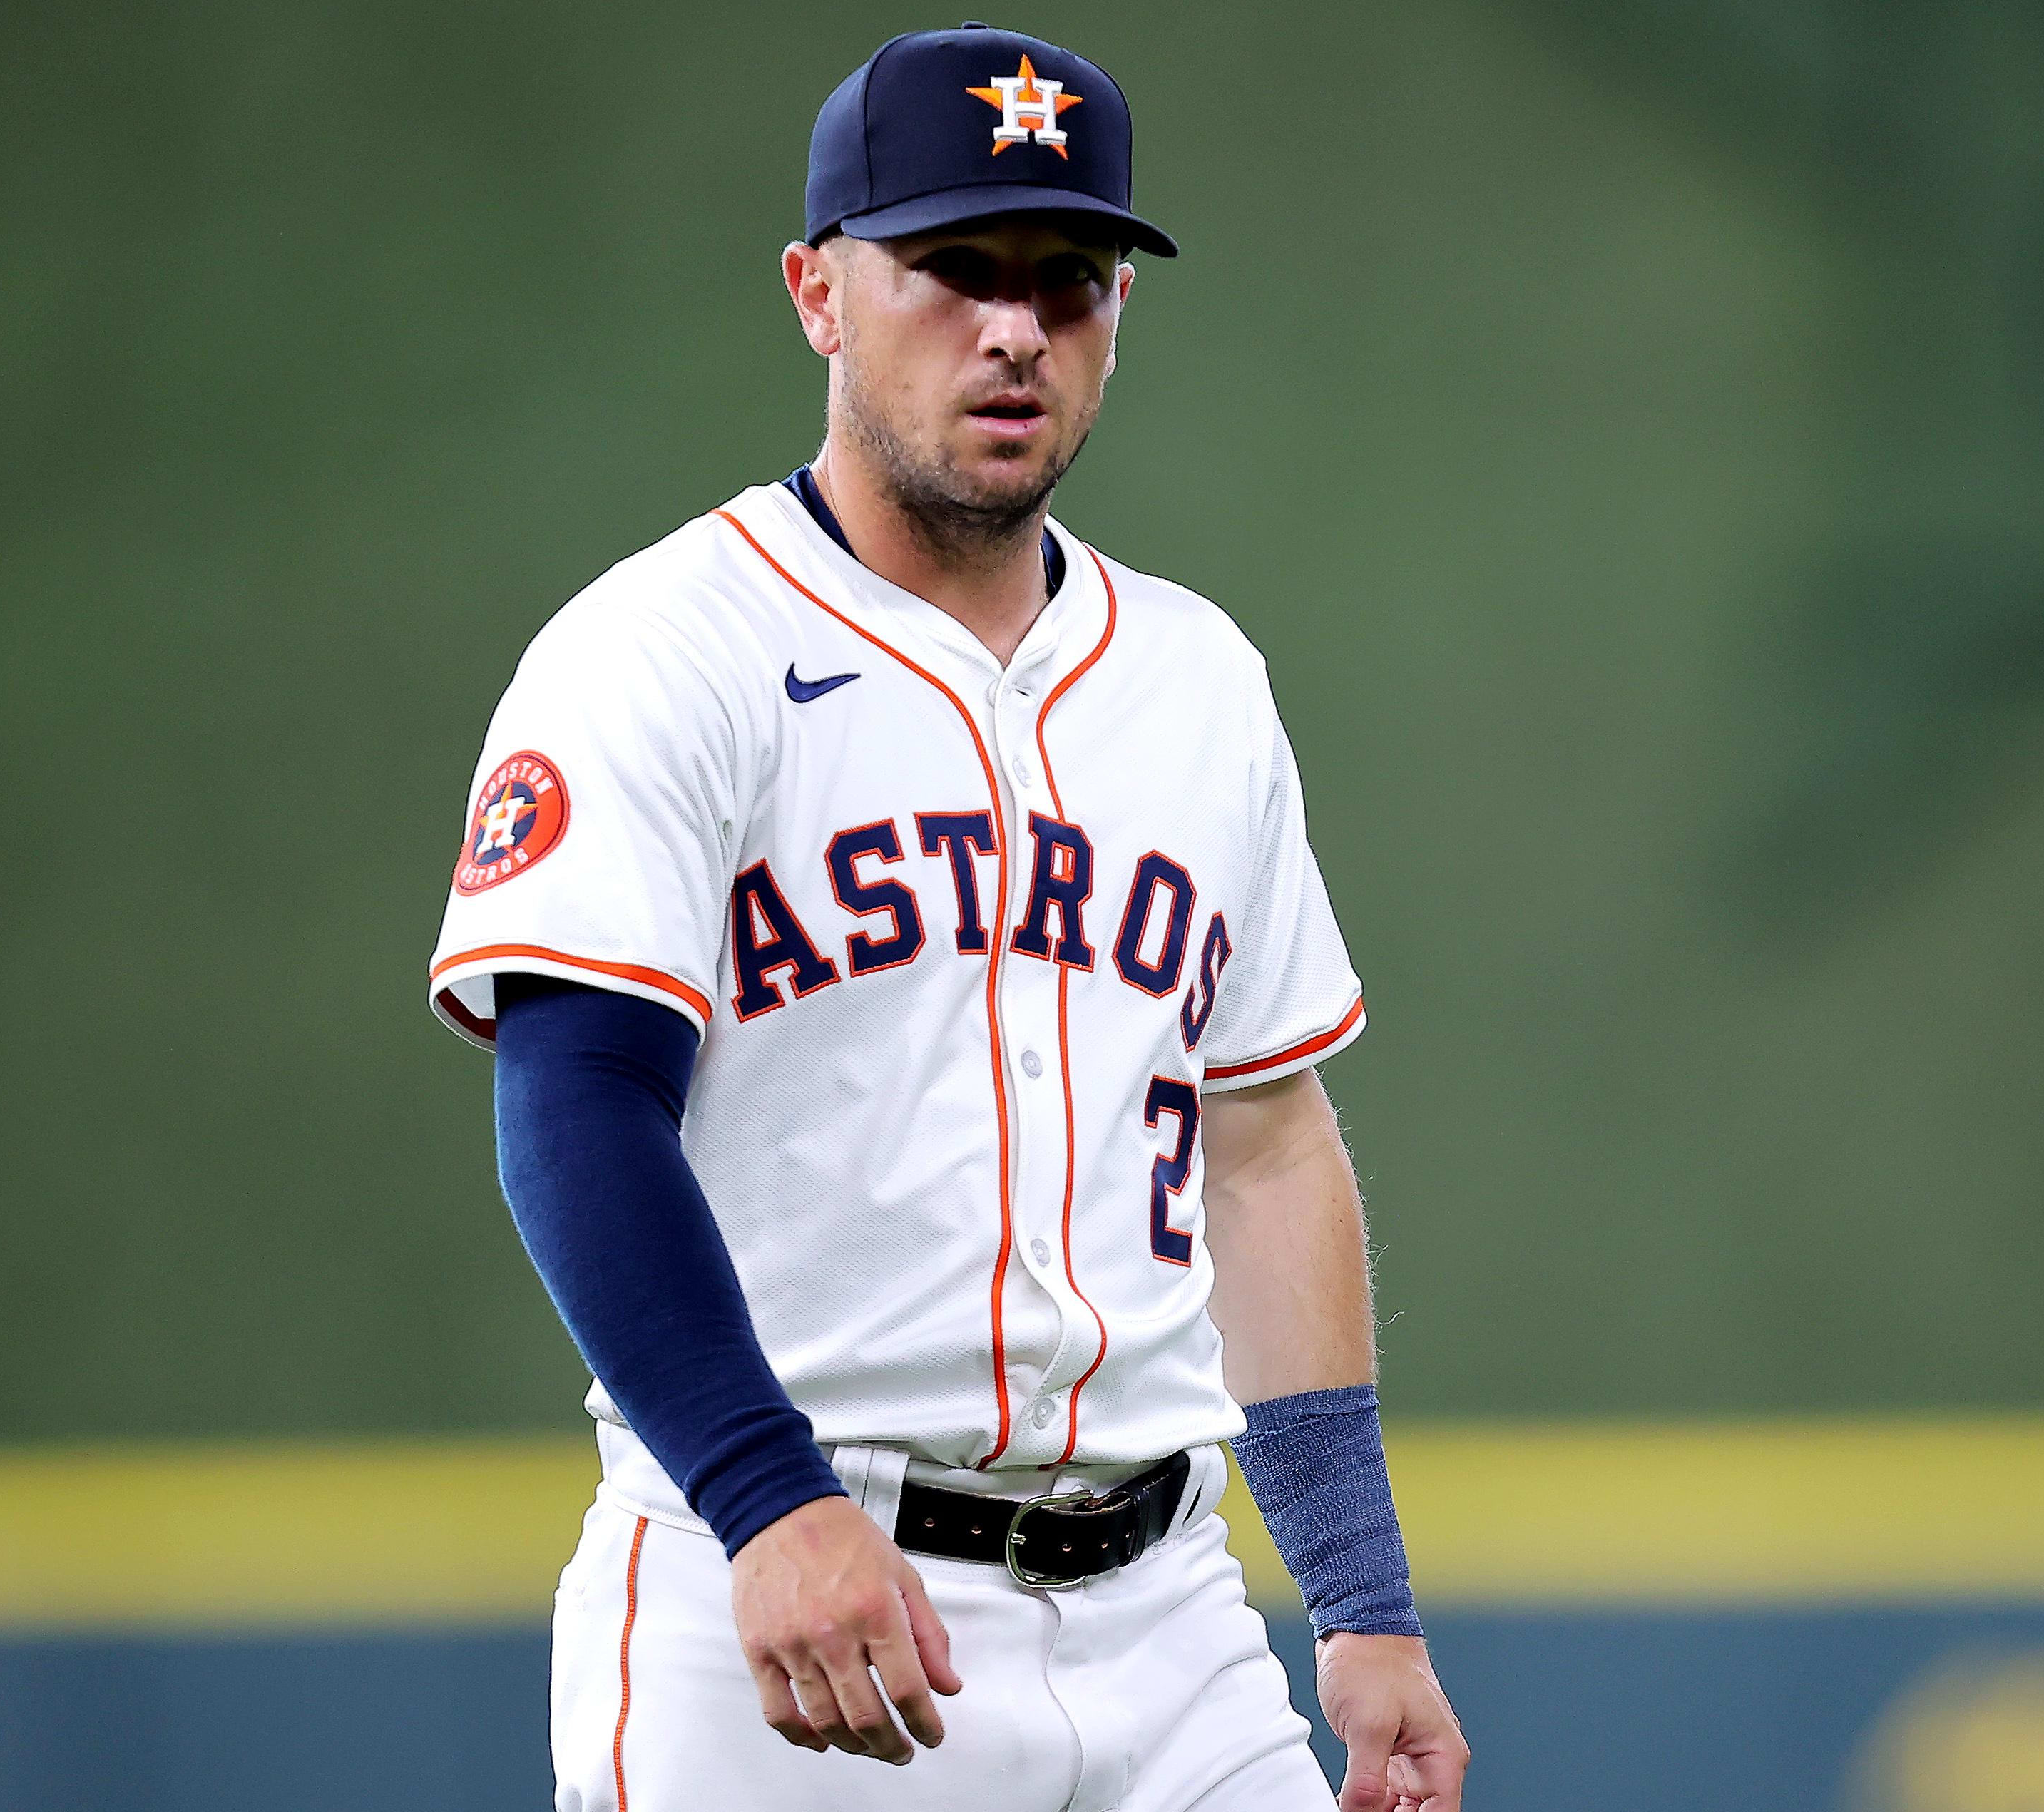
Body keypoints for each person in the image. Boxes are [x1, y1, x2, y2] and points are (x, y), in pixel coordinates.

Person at [423, 24, 1467, 1811]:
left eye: (1069, 281)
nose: (1015, 330)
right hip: (791, 1601)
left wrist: (1361, 1598)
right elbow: (571, 1102)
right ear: (818, 291)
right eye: (952, 271)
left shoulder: (1195, 679)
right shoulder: (666, 650)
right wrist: (769, 1496)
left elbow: (1268, 1142)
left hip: (1171, 1612)